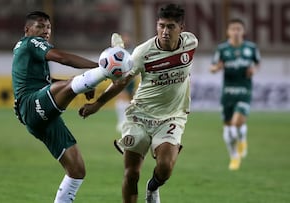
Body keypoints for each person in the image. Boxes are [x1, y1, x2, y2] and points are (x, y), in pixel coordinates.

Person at [79, 4, 198, 203]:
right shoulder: (143, 53)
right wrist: (97, 105)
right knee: (131, 174)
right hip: (140, 116)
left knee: (166, 168)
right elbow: (122, 82)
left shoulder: (191, 43)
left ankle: (152, 188)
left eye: (170, 27)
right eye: (161, 26)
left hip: (173, 116)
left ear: (181, 28)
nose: (164, 32)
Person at [11, 11, 110, 203]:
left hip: (41, 118)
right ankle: (105, 71)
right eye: (40, 26)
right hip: (32, 104)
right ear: (27, 29)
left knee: (77, 171)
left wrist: (82, 85)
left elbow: (47, 82)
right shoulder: (31, 42)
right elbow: (63, 58)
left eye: (48, 27)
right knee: (72, 84)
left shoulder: (25, 50)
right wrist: (101, 69)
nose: (45, 30)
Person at [210, 18, 261, 170]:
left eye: (239, 29)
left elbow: (257, 63)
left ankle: (242, 139)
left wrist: (254, 70)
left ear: (243, 31)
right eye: (233, 29)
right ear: (228, 32)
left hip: (244, 90)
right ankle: (234, 156)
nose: (236, 32)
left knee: (236, 123)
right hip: (227, 92)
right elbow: (212, 67)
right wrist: (216, 68)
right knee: (228, 128)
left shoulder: (251, 48)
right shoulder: (222, 49)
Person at [112, 32, 137, 132]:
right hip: (121, 77)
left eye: (127, 38)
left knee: (130, 99)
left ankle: (129, 121)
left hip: (131, 77)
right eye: (124, 38)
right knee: (122, 96)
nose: (126, 40)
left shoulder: (133, 51)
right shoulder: (118, 51)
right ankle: (121, 121)